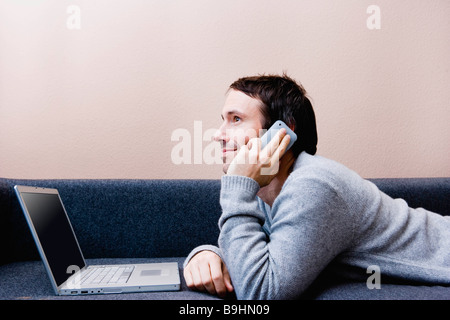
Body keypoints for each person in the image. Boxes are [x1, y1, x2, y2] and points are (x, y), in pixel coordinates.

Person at [183, 74, 450, 299]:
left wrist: (238, 187)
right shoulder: (268, 186)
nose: (218, 134)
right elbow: (261, 250)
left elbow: (261, 292)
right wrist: (209, 253)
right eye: (223, 119)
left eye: (236, 119)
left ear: (281, 134)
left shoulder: (314, 185)